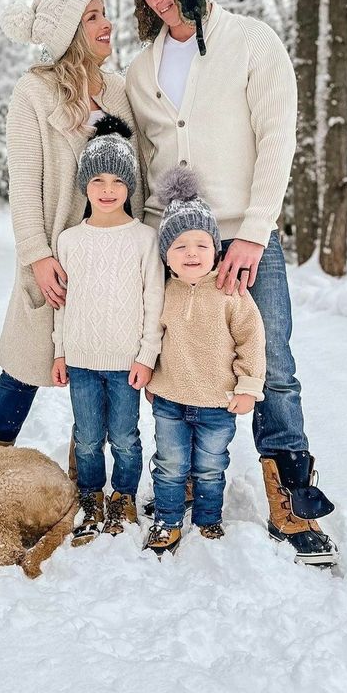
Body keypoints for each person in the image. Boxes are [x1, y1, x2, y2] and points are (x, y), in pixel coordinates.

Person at [118, 0, 338, 565]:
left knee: (272, 367)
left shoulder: (252, 42)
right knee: (173, 362)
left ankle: (289, 496)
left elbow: (277, 143)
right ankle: (180, 475)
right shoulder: (141, 67)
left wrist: (253, 234)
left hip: (244, 237)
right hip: (169, 241)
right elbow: (140, 157)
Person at [0, 0, 144, 476]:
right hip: (55, 251)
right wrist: (37, 252)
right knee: (25, 364)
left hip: (110, 253)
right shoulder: (33, 92)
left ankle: (84, 475)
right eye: (92, 17)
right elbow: (24, 182)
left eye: (104, 13)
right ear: (69, 32)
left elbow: (137, 171)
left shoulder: (116, 90)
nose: (106, 24)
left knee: (98, 359)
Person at [51, 115, 164, 545]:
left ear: (130, 186)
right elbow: (62, 304)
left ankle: (124, 496)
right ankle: (90, 496)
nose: (107, 189)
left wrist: (146, 355)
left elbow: (154, 300)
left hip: (125, 362)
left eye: (117, 180)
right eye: (96, 179)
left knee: (125, 437)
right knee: (87, 437)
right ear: (84, 186)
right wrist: (60, 351)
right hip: (80, 358)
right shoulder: (69, 240)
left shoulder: (143, 239)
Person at [143, 167, 266, 556]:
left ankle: (209, 520)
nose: (191, 254)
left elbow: (252, 339)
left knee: (211, 467)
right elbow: (151, 337)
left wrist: (248, 387)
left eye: (201, 244)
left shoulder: (231, 292)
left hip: (218, 401)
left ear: (216, 249)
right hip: (170, 400)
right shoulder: (162, 293)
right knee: (170, 464)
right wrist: (150, 376)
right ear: (166, 255)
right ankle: (167, 520)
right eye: (179, 247)